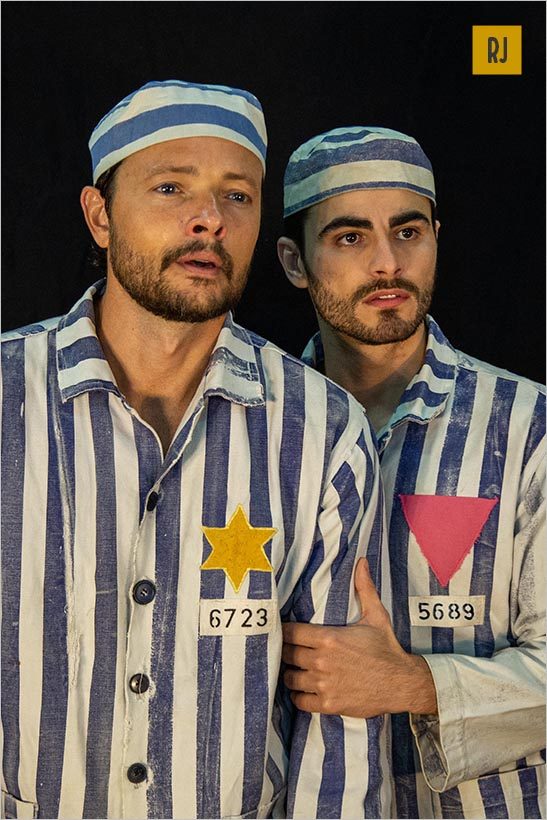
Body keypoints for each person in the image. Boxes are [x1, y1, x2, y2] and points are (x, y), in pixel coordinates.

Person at [0, 85, 392, 819]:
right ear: (99, 216)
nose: (208, 219)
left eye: (236, 195)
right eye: (171, 187)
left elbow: (335, 720)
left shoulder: (320, 428)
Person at [277, 126, 546, 818]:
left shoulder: (527, 428)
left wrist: (412, 685)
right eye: (348, 238)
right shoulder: (258, 430)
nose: (387, 264)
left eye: (408, 232)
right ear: (293, 261)